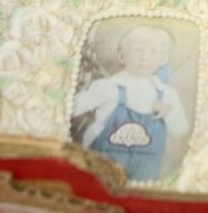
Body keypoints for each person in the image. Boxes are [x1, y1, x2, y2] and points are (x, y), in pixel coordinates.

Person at [72, 24, 190, 182]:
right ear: (122, 56)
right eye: (137, 50)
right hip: (104, 164)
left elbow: (181, 131)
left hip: (146, 170)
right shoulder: (108, 86)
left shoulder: (167, 94)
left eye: (154, 51)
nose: (144, 57)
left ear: (163, 59)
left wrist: (169, 113)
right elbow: (72, 108)